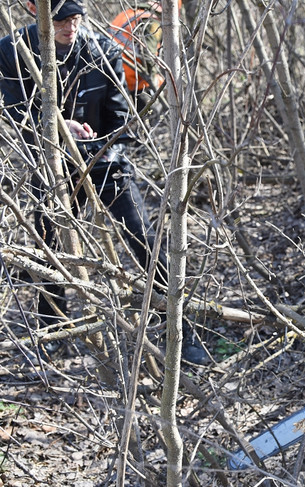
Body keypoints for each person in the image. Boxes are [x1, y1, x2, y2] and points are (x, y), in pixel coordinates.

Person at [0, 0, 206, 364]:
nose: (70, 27)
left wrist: (100, 147)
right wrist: (62, 130)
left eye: (76, 19)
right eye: (62, 20)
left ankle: (178, 328)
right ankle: (53, 330)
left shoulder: (101, 49)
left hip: (105, 161)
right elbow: (17, 113)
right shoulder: (12, 50)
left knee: (142, 235)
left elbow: (120, 113)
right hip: (51, 167)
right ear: (39, 15)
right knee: (51, 247)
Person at [108, 1, 166, 103]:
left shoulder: (128, 14)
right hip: (134, 82)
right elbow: (148, 55)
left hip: (112, 78)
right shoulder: (151, 20)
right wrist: (154, 82)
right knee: (155, 114)